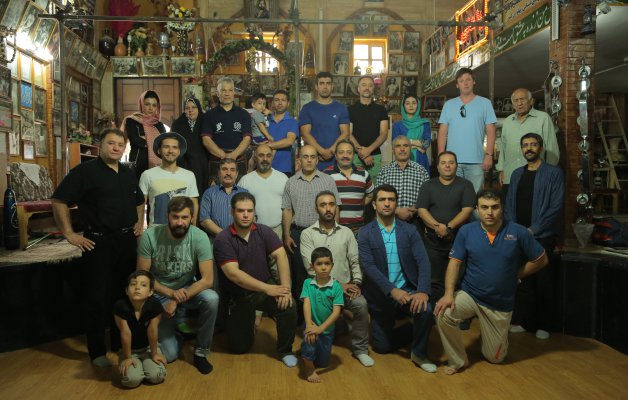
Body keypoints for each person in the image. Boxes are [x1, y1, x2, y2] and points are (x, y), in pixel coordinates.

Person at [52, 128, 145, 367]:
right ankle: (97, 352)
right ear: (100, 145)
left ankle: (119, 343)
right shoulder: (84, 172)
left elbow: (139, 200)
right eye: (111, 143)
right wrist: (69, 234)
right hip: (98, 242)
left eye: (120, 144)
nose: (116, 148)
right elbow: (59, 200)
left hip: (126, 242)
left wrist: (138, 223)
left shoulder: (128, 172)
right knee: (96, 298)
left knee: (123, 295)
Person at [434, 189, 548, 375]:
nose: (489, 212)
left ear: (502, 208)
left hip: (499, 304)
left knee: (495, 358)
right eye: (484, 207)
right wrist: (448, 294)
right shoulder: (466, 231)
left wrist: (516, 274)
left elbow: (541, 259)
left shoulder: (518, 232)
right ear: (477, 209)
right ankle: (458, 360)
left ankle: (493, 338)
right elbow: (454, 263)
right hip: (471, 295)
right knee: (443, 312)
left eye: (494, 207)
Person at [213, 192, 298, 367]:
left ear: (254, 212)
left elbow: (281, 255)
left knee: (288, 305)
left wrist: (285, 288)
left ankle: (285, 350)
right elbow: (234, 274)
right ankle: (248, 324)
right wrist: (267, 288)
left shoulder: (263, 231)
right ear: (232, 212)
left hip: (263, 287)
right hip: (237, 295)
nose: (245, 215)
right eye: (240, 211)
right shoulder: (223, 239)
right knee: (239, 348)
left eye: (249, 211)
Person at [358, 184, 436, 373]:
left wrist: (423, 291)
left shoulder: (409, 230)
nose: (387, 203)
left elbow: (423, 261)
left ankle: (419, 354)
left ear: (396, 203)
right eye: (382, 200)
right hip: (381, 295)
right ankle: (411, 327)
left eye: (391, 200)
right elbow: (369, 267)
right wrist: (392, 290)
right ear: (374, 205)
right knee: (382, 347)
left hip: (407, 290)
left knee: (426, 310)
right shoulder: (365, 233)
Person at [137, 196, 219, 374]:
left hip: (187, 289)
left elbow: (208, 279)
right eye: (175, 217)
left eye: (184, 217)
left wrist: (176, 299)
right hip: (159, 293)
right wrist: (170, 294)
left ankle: (201, 352)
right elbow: (142, 278)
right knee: (170, 354)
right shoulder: (149, 236)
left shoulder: (200, 237)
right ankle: (179, 335)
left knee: (212, 299)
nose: (180, 222)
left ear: (192, 218)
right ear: (167, 216)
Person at [300, 191, 374, 367]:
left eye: (331, 204)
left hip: (346, 289)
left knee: (361, 304)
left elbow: (355, 261)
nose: (328, 208)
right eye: (323, 205)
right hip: (319, 290)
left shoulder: (346, 232)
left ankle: (360, 350)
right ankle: (338, 326)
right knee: (315, 341)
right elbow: (310, 269)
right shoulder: (307, 234)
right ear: (316, 209)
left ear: (336, 207)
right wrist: (340, 285)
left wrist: (356, 283)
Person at [505, 133, 564, 339]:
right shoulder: (516, 174)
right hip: (519, 235)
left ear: (541, 147)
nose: (529, 148)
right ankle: (523, 322)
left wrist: (534, 229)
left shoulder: (554, 173)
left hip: (542, 236)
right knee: (523, 280)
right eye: (525, 145)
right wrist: (515, 229)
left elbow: (556, 206)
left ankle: (544, 325)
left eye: (533, 144)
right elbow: (509, 204)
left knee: (544, 281)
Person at [282, 145, 341, 301]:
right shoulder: (291, 182)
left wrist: (335, 233)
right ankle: (302, 313)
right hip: (298, 234)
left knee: (324, 273)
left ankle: (323, 309)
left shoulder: (328, 180)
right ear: (299, 159)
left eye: (312, 157)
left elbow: (336, 208)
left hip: (323, 232)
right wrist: (286, 235)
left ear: (317, 160)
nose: (309, 160)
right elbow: (287, 210)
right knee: (300, 275)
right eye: (305, 157)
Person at [417, 151, 475, 301]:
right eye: (443, 163)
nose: (447, 166)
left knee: (459, 278)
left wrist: (448, 227)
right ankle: (436, 309)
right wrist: (438, 227)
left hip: (459, 241)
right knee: (434, 280)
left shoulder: (466, 185)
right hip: (433, 242)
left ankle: (456, 310)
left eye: (451, 162)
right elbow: (421, 210)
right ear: (437, 166)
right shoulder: (428, 185)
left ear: (456, 165)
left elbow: (467, 210)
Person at [437, 68, 497, 193]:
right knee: (452, 198)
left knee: (474, 198)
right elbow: (442, 132)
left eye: (468, 79)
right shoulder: (449, 105)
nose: (465, 83)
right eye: (461, 80)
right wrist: (441, 156)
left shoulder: (485, 103)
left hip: (476, 162)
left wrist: (489, 155)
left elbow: (491, 130)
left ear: (473, 81)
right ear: (457, 84)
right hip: (452, 162)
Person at [498, 88, 560, 196]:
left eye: (522, 99)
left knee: (533, 206)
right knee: (509, 206)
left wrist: (549, 174)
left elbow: (551, 148)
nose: (519, 103)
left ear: (531, 101)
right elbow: (503, 148)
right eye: (516, 100)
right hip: (510, 176)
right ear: (513, 104)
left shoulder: (543, 118)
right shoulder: (508, 121)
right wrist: (501, 170)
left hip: (536, 176)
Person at [114, 270, 166, 388]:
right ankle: (138, 369)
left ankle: (145, 367)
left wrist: (154, 354)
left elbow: (152, 330)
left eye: (143, 285)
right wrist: (128, 358)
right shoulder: (120, 306)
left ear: (150, 292)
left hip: (148, 348)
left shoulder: (154, 304)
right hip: (129, 350)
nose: (137, 288)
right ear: (126, 291)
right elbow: (125, 333)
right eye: (133, 284)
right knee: (131, 380)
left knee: (157, 376)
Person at [300, 247, 344, 383]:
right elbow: (306, 304)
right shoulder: (308, 283)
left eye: (327, 263)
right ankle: (308, 366)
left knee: (323, 363)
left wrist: (320, 329)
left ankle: (310, 354)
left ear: (332, 265)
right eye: (319, 264)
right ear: (312, 266)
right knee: (309, 341)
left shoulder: (336, 287)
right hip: (311, 325)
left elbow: (336, 312)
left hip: (327, 330)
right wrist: (309, 325)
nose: (323, 267)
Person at [139, 132, 198, 226]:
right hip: (156, 231)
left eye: (175, 147)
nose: (170, 151)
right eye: (166, 147)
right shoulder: (147, 175)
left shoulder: (189, 175)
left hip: (181, 230)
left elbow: (194, 204)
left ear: (179, 151)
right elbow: (141, 204)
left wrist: (193, 228)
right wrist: (139, 227)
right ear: (159, 150)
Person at [200, 77, 252, 180]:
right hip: (217, 160)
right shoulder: (209, 115)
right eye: (223, 90)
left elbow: (247, 139)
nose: (227, 94)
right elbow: (206, 140)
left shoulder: (244, 114)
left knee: (239, 189)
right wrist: (223, 155)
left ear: (234, 93)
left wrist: (233, 155)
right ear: (217, 93)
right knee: (215, 190)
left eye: (230, 90)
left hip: (238, 160)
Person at [300, 71, 350, 170]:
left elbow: (345, 133)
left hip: (336, 160)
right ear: (316, 86)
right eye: (322, 83)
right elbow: (305, 134)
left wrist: (331, 151)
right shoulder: (307, 108)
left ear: (332, 86)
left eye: (328, 83)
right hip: (314, 160)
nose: (325, 87)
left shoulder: (341, 108)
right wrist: (322, 151)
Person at [239, 144, 288, 239]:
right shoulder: (245, 180)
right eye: (261, 155)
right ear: (255, 157)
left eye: (268, 155)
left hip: (279, 231)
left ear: (272, 157)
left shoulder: (283, 178)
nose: (265, 159)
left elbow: (288, 208)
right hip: (253, 232)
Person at [323, 140, 373, 231]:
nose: (345, 156)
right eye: (341, 152)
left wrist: (358, 203)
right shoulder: (326, 174)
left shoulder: (364, 174)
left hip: (358, 229)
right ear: (336, 155)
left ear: (353, 155)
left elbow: (370, 195)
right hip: (334, 229)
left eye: (349, 152)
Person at [377, 136, 430, 223]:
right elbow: (378, 198)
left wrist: (415, 208)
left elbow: (427, 197)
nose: (402, 149)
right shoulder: (384, 172)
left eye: (405, 145)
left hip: (415, 220)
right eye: (398, 146)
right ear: (393, 150)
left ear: (410, 149)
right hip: (389, 220)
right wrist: (396, 211)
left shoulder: (422, 171)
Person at [348, 75, 389, 183]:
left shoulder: (381, 110)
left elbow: (384, 134)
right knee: (356, 187)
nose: (367, 88)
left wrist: (368, 150)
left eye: (370, 85)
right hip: (355, 156)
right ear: (358, 89)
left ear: (373, 89)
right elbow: (348, 134)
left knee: (374, 188)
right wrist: (363, 154)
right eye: (364, 85)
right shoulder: (350, 110)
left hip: (375, 156)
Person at [199, 158, 249, 240]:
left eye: (232, 170)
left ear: (237, 174)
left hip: (240, 240)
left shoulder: (245, 193)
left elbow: (251, 217)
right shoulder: (209, 193)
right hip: (216, 241)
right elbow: (204, 220)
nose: (228, 173)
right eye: (224, 169)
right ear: (218, 173)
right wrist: (225, 236)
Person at [122, 90, 167, 180]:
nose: (151, 108)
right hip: (137, 164)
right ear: (142, 104)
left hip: (157, 166)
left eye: (154, 105)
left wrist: (146, 140)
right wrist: (155, 143)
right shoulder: (132, 120)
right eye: (147, 104)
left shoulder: (159, 125)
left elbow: (164, 143)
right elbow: (135, 140)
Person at [171, 97, 210, 195]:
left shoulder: (205, 122)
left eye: (193, 107)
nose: (190, 110)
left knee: (200, 192)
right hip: (183, 164)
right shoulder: (177, 124)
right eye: (187, 108)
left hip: (202, 164)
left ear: (199, 109)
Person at [392, 95, 431, 172]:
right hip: (402, 159)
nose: (411, 105)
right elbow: (395, 144)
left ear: (418, 105)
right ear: (403, 106)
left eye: (414, 103)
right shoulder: (397, 125)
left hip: (421, 159)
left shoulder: (424, 123)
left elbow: (426, 143)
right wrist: (418, 145)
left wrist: (408, 143)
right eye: (407, 103)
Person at [266, 89, 299, 175]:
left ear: (288, 103)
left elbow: (289, 141)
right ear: (272, 103)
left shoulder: (293, 122)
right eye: (277, 100)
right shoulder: (265, 120)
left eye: (283, 100)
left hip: (285, 169)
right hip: (264, 167)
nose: (280, 103)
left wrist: (266, 146)